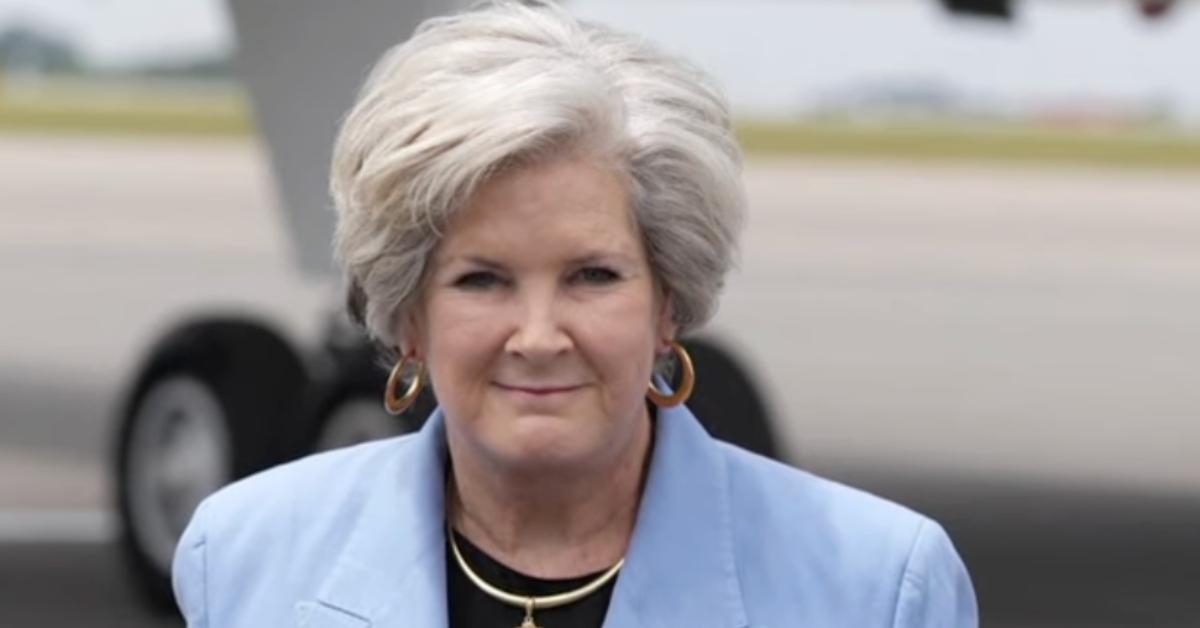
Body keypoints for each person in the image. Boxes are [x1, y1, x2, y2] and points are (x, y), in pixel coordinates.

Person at [172, 2, 978, 626]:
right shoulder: (243, 554)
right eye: (481, 281)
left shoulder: (879, 586)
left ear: (670, 302)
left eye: (593, 276)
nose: (538, 337)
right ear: (406, 318)